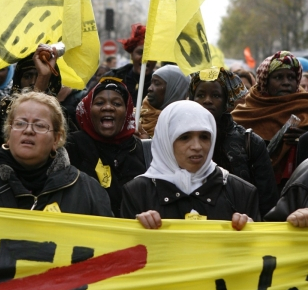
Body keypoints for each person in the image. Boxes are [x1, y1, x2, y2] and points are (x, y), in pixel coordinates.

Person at [121, 100, 260, 229]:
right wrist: (137, 229)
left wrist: (251, 232)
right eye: (185, 137)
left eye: (204, 137)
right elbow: (124, 251)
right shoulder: (138, 193)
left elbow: (259, 253)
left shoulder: (241, 192)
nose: (197, 146)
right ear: (166, 140)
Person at [188, 67, 278, 217]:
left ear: (226, 101)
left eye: (216, 95)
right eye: (201, 95)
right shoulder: (178, 139)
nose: (207, 100)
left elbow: (267, 201)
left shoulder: (250, 142)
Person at [65, 78, 146, 217]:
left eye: (117, 103)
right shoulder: (73, 145)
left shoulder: (141, 149)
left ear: (127, 112)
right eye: (99, 102)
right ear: (88, 110)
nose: (108, 107)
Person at [232, 51, 308, 190]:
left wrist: (304, 139)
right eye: (278, 77)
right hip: (254, 188)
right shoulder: (246, 112)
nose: (286, 82)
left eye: (291, 77)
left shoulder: (304, 104)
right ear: (265, 81)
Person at [105, 24, 156, 105]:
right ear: (131, 55)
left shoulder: (161, 84)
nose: (145, 59)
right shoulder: (111, 78)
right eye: (140, 52)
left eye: (150, 54)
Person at [139, 65, 190, 137]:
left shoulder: (187, 127)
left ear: (175, 90)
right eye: (151, 83)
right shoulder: (134, 117)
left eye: (157, 83)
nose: (149, 88)